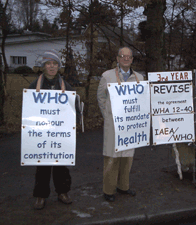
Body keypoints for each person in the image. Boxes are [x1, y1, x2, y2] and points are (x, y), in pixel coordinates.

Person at [29, 50, 80, 209]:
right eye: (48, 64)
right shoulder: (34, 86)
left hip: (61, 133)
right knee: (42, 166)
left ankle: (63, 192)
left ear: (59, 66)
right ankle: (40, 195)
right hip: (42, 133)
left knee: (61, 165)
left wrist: (73, 124)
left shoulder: (67, 86)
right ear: (43, 66)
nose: (52, 67)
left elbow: (75, 110)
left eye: (55, 64)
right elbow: (29, 111)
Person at [97, 47, 144, 202]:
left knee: (127, 158)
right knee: (112, 157)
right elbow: (101, 98)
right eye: (122, 56)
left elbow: (142, 101)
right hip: (114, 126)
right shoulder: (107, 76)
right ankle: (108, 190)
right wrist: (109, 116)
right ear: (117, 58)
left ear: (132, 60)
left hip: (131, 126)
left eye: (129, 56)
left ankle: (123, 186)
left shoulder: (139, 78)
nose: (126, 58)